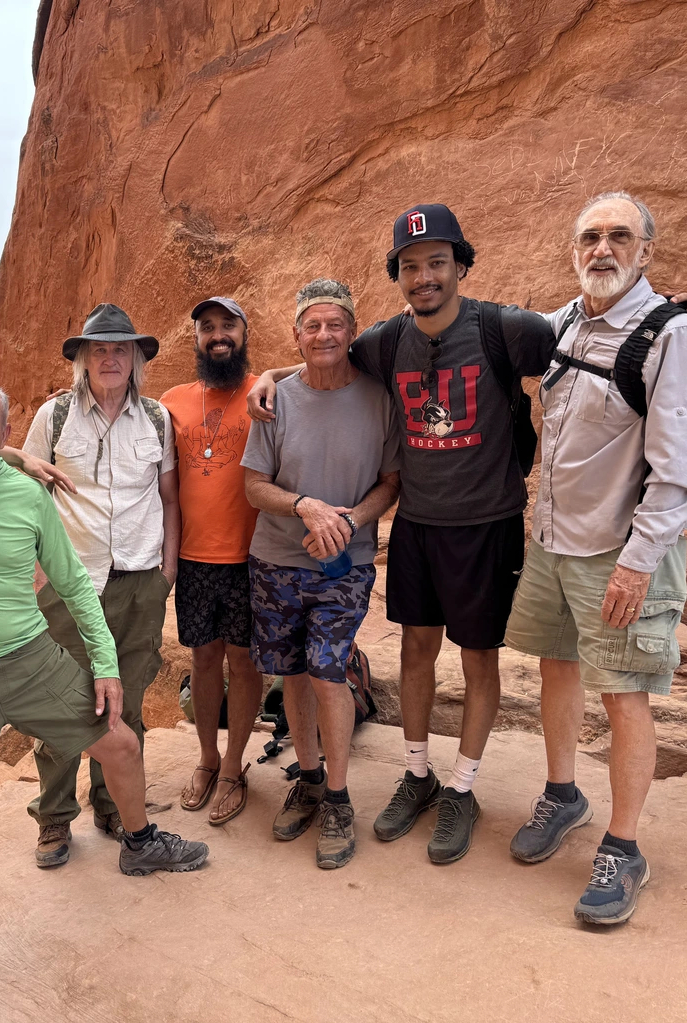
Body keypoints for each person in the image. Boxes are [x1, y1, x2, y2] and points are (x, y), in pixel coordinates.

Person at [247, 205, 687, 868]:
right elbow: (326, 357)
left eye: (438, 262)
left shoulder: (506, 328)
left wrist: (674, 315)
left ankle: (462, 786)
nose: (425, 275)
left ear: (461, 266)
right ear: (399, 277)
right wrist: (271, 375)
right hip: (418, 525)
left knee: (478, 659)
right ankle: (418, 773)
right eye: (411, 266)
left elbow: (605, 332)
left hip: (487, 525)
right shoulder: (384, 342)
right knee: (414, 652)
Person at [0, 379, 207, 986]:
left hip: (29, 657)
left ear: (6, 432)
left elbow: (71, 583)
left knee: (119, 744)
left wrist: (102, 661)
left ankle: (139, 841)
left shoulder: (25, 496)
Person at [503, 192, 687, 925]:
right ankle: (564, 794)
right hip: (554, 539)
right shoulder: (561, 324)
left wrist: (638, 561)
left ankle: (624, 847)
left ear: (646, 250)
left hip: (621, 550)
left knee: (624, 694)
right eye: (590, 236)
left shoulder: (671, 334)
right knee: (558, 664)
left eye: (620, 236)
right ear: (573, 250)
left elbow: (678, 466)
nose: (603, 248)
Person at [242, 279, 400, 869]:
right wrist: (304, 505)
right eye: (313, 326)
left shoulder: (379, 397)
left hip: (345, 564)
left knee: (329, 669)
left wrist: (350, 520)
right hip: (277, 558)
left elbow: (391, 479)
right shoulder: (274, 399)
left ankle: (337, 797)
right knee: (293, 674)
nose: (325, 335)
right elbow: (254, 485)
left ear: (352, 332)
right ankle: (307, 779)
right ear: (296, 335)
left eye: (335, 325)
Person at [21, 305, 180, 863]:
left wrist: (169, 569)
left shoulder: (157, 419)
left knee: (127, 699)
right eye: (99, 349)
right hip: (70, 582)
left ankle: (114, 806)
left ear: (137, 358)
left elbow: (168, 498)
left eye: (121, 349)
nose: (111, 358)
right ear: (83, 358)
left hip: (140, 581)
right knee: (61, 701)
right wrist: (37, 570)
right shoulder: (56, 416)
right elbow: (27, 491)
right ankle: (55, 818)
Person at [160, 298, 264, 825]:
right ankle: (205, 757)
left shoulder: (266, 392)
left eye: (228, 326)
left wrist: (273, 371)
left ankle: (233, 766)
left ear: (245, 334)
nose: (217, 336)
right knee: (202, 660)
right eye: (207, 328)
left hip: (252, 558)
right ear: (195, 337)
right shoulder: (173, 401)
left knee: (244, 662)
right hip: (194, 557)